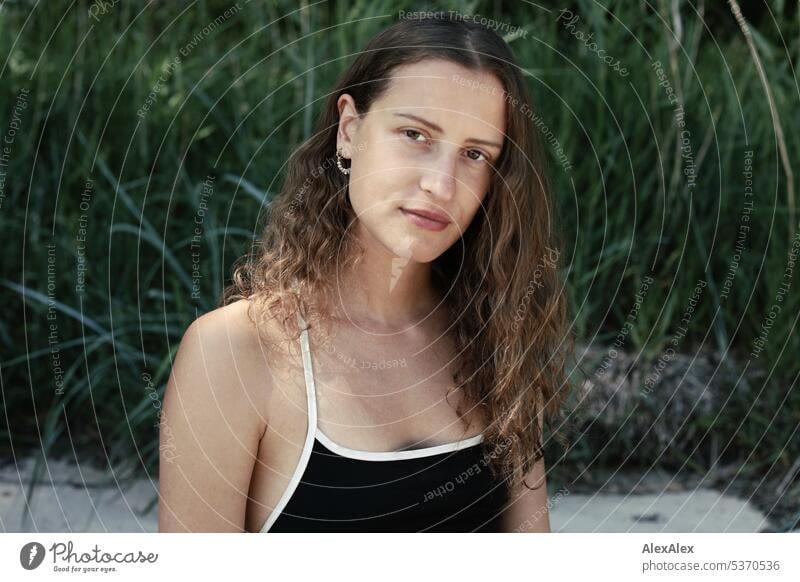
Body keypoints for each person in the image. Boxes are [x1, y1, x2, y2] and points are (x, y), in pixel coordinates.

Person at [158, 13, 573, 533]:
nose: (442, 186)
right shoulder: (236, 352)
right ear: (350, 130)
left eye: (474, 154)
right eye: (415, 134)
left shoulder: (496, 337)